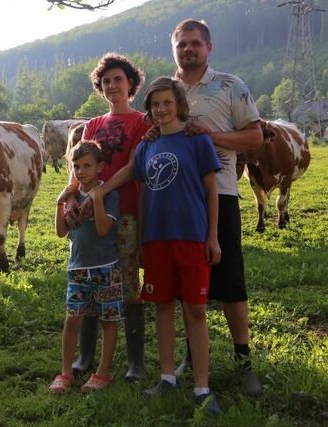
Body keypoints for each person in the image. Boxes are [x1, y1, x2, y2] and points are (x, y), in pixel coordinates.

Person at [169, 19, 263, 395]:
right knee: (187, 285)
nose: (188, 50)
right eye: (181, 45)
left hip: (220, 195)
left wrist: (213, 135)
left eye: (195, 43)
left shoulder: (230, 86)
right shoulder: (166, 90)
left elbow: (256, 136)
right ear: (174, 50)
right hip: (176, 201)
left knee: (231, 282)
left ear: (209, 47)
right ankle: (193, 357)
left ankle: (244, 362)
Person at [58, 52, 151, 381]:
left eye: (118, 80)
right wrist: (71, 197)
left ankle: (135, 363)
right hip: (85, 216)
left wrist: (100, 192)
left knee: (127, 285)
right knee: (90, 281)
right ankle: (85, 357)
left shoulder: (142, 122)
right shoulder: (93, 125)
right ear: (101, 87)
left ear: (131, 85)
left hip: (123, 213)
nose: (112, 86)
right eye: (107, 81)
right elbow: (77, 164)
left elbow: (132, 166)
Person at [134, 76, 222, 413]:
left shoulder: (197, 141)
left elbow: (211, 192)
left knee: (196, 310)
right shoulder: (146, 147)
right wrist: (142, 241)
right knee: (163, 306)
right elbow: (143, 198)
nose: (161, 109)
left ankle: (202, 386)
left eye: (167, 102)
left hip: (192, 236)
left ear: (179, 104)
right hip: (156, 239)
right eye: (155, 104)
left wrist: (212, 236)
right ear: (150, 109)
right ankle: (167, 378)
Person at [48, 141, 124, 394]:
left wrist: (97, 199)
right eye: (76, 166)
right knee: (72, 321)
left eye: (87, 166)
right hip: (78, 269)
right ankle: (66, 373)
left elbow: (103, 229)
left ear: (100, 167)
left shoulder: (110, 195)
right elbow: (61, 232)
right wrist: (60, 203)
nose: (81, 172)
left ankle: (102, 373)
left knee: (108, 322)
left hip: (106, 269)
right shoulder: (71, 198)